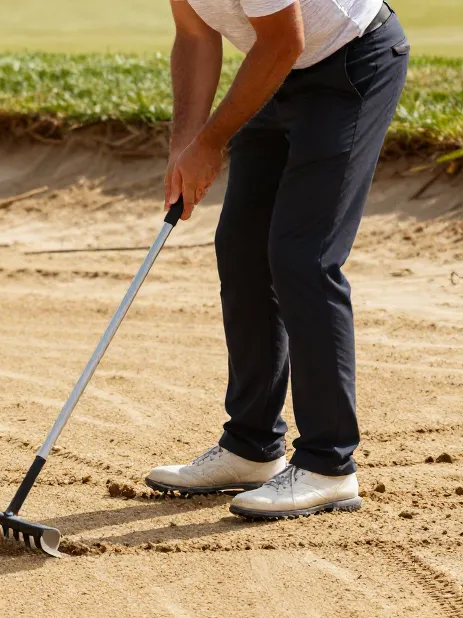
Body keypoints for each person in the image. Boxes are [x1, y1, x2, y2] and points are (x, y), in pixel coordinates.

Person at [145, 0, 409, 519]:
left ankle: (329, 464)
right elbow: (195, 34)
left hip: (349, 65)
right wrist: (186, 144)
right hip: (279, 71)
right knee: (242, 248)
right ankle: (251, 447)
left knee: (303, 257)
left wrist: (213, 142)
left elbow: (283, 40)